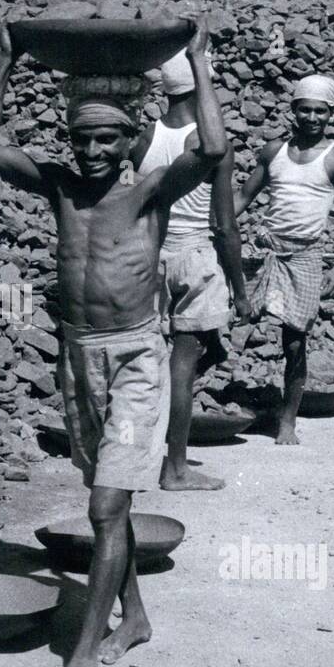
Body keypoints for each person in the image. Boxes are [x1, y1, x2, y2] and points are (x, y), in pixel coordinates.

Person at [0, 20, 227, 667]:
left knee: (108, 505)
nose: (91, 150)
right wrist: (6, 62)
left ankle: (83, 653)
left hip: (138, 357)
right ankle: (134, 615)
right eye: (81, 138)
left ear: (129, 140)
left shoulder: (147, 191)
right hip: (78, 358)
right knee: (104, 503)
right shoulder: (58, 187)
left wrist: (199, 65)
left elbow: (214, 148)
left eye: (106, 137)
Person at [135, 52, 248, 491]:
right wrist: (239, 289)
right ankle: (176, 469)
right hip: (194, 256)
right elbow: (225, 224)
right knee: (184, 367)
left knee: (153, 363)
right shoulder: (209, 140)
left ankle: (145, 451)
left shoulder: (145, 136)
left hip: (150, 254)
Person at [236, 74, 334, 444]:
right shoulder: (273, 151)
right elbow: (243, 196)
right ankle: (222, 394)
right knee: (233, 321)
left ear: (331, 114)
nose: (311, 118)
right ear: (293, 110)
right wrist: (214, 230)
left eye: (319, 111)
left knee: (294, 341)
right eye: (304, 109)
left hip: (305, 255)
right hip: (265, 248)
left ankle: (287, 419)